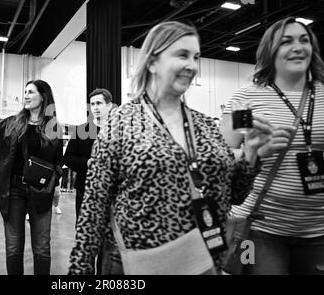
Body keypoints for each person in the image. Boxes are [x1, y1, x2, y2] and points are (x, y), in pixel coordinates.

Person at [68, 21, 273, 275]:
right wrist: (78, 272)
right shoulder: (121, 124)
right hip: (137, 264)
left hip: (204, 260)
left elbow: (235, 195)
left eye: (196, 57)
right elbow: (94, 207)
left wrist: (252, 155)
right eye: (182, 55)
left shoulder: (206, 126)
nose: (192, 66)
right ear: (152, 62)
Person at [220, 17, 324, 275]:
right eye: (286, 42)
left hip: (319, 229)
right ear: (271, 50)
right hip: (260, 228)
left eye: (304, 40)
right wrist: (253, 153)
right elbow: (220, 159)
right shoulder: (246, 97)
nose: (298, 47)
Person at [0, 80, 63, 275]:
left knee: (42, 247)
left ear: (43, 96)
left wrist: (53, 183)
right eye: (25, 91)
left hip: (41, 192)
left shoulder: (53, 127)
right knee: (14, 246)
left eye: (31, 92)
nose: (25, 95)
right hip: (13, 191)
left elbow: (58, 162)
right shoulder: (11, 123)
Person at [64, 88, 114, 220]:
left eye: (99, 103)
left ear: (109, 106)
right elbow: (68, 158)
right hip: (85, 189)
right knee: (84, 230)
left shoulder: (118, 130)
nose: (95, 107)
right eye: (92, 104)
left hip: (113, 191)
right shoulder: (81, 130)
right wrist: (88, 162)